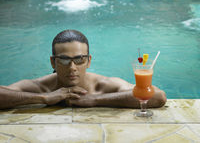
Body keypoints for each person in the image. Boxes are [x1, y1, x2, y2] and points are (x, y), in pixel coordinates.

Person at [0, 29, 166, 110]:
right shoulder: (41, 87)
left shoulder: (103, 86)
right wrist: (43, 98)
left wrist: (95, 100)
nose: (72, 68)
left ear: (88, 61)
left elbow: (158, 97)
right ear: (53, 62)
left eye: (79, 59)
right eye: (64, 60)